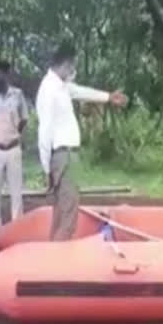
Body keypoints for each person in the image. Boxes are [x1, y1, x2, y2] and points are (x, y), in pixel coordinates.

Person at [36, 42, 127, 241]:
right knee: (68, 214)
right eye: (71, 66)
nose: (72, 70)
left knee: (62, 212)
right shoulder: (49, 89)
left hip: (66, 156)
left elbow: (80, 91)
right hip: (64, 156)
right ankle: (58, 265)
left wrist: (108, 97)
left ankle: (51, 258)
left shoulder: (60, 86)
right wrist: (46, 170)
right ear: (64, 64)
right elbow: (44, 131)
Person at [0, 60, 29, 234]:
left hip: (13, 148)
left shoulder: (17, 95)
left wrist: (16, 134)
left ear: (6, 74)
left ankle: (18, 231)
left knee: (16, 193)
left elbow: (24, 119)